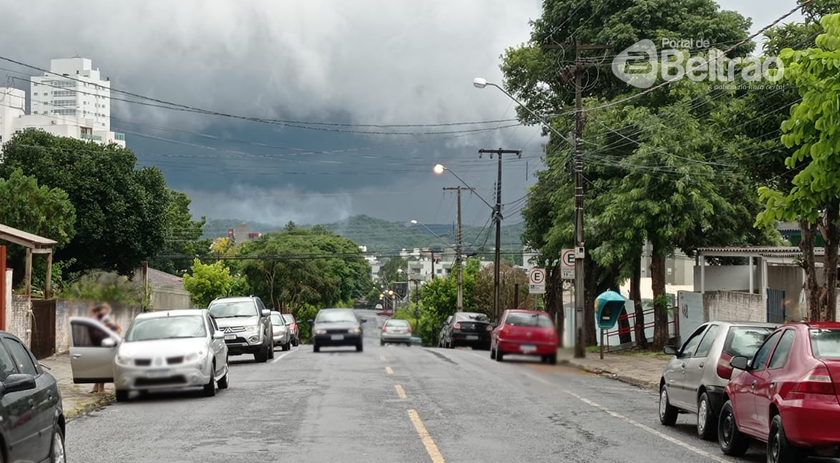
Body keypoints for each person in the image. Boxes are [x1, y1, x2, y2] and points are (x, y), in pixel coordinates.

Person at [89, 303, 121, 394]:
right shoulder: (96, 319)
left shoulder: (103, 319)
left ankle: (98, 387)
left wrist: (109, 324)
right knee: (99, 366)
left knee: (100, 366)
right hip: (98, 345)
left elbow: (118, 329)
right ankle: (98, 387)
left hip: (103, 344)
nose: (107, 313)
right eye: (106, 311)